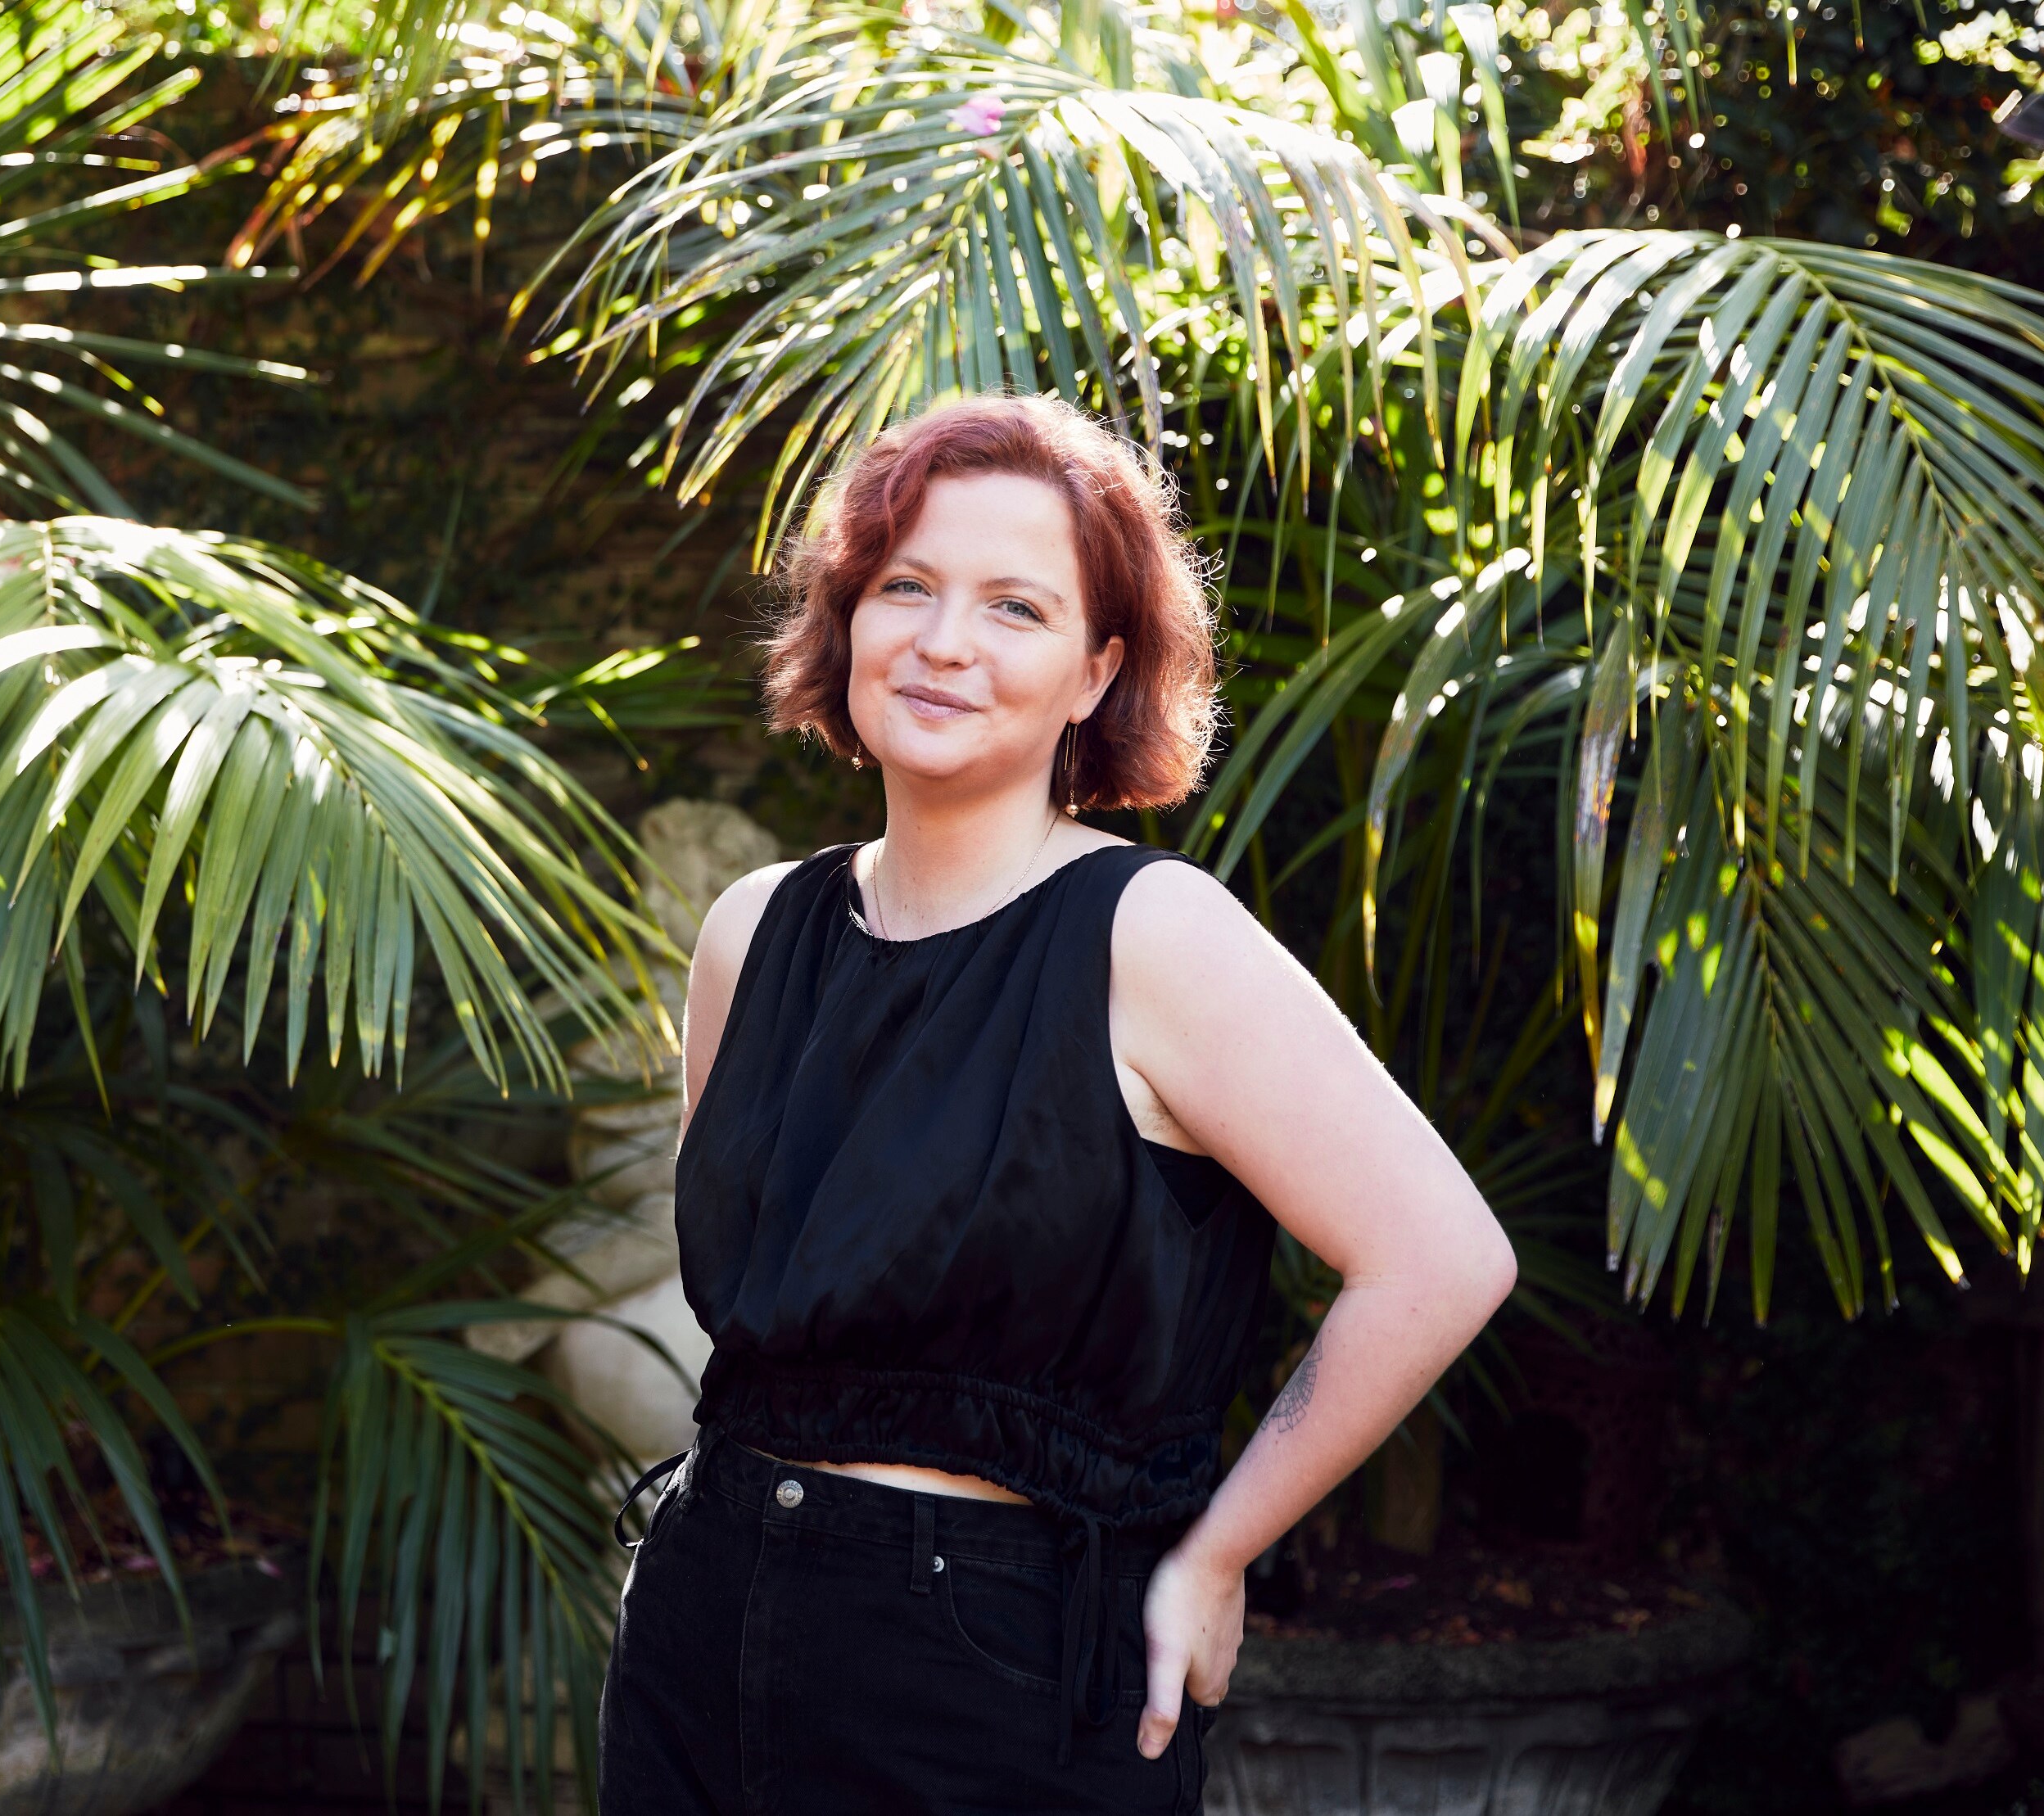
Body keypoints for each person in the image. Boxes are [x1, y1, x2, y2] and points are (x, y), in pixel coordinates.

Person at [598, 394, 1517, 1815]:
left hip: (992, 1657)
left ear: (1097, 672)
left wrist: (1219, 1552)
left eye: (1015, 607)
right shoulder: (752, 930)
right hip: (706, 1607)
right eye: (905, 585)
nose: (944, 641)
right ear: (846, 619)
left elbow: (1442, 1256)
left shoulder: (1153, 934)